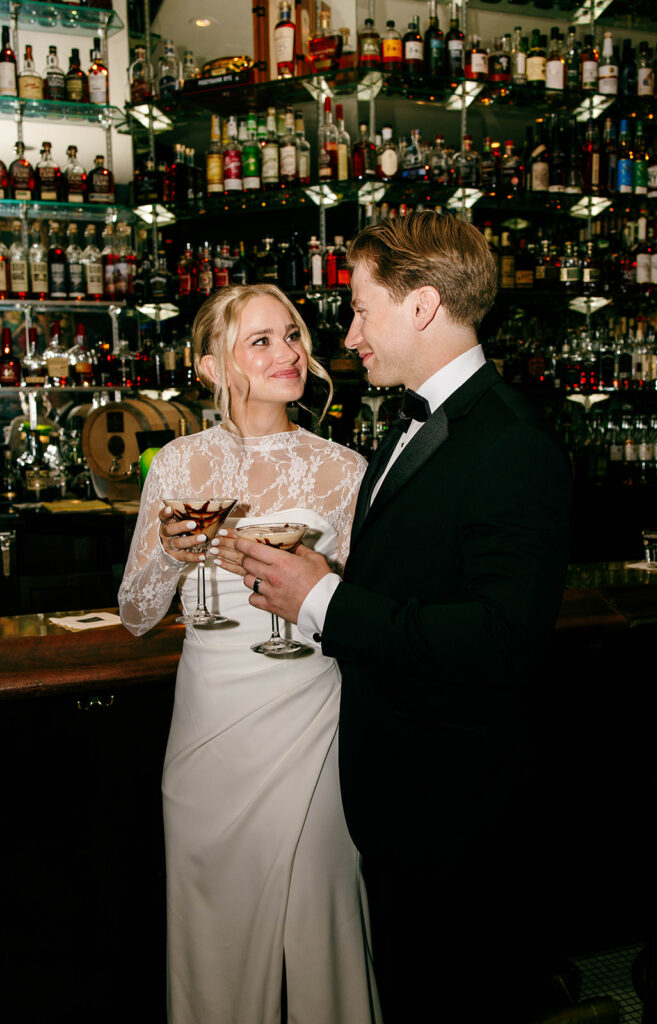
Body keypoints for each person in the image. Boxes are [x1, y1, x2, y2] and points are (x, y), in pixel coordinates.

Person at [223, 212, 574, 1023]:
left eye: (360, 310)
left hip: (459, 817)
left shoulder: (510, 444)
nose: (346, 338)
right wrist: (319, 585)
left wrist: (321, 599)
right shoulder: (411, 428)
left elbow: (500, 640)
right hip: (403, 805)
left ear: (420, 307)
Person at [118, 284, 382, 1024]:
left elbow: (365, 611)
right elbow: (137, 615)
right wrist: (168, 557)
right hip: (211, 724)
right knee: (215, 928)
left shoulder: (345, 468)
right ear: (210, 366)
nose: (288, 353)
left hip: (313, 721)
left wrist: (321, 579)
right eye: (260, 340)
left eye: (292, 335)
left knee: (319, 915)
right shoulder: (174, 465)